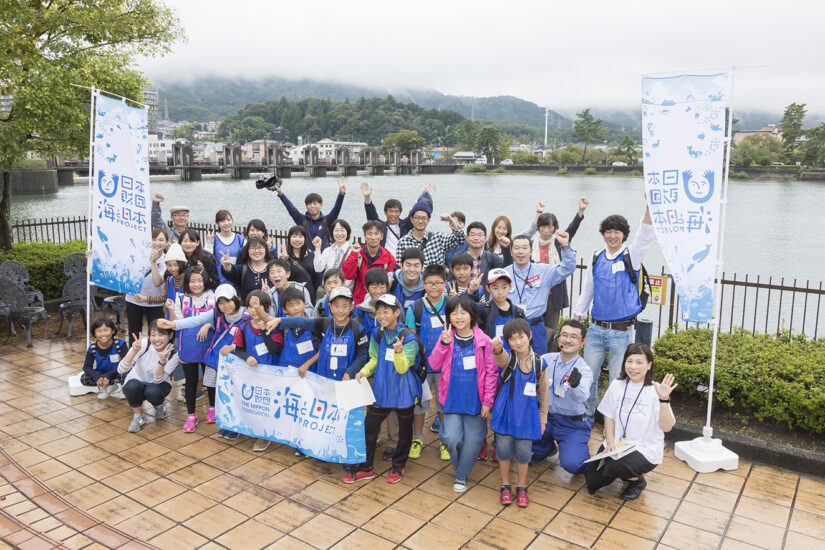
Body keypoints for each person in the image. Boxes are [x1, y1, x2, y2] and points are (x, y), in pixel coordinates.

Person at [573, 205, 654, 418]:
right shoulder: (596, 257)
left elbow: (644, 235)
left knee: (618, 378)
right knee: (588, 374)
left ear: (624, 235)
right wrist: (577, 316)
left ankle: (614, 417)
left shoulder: (632, 255)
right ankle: (587, 414)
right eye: (608, 231)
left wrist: (649, 206)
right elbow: (588, 289)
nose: (612, 235)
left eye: (617, 231)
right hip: (596, 329)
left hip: (621, 331)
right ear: (603, 234)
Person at [584, 343, 677, 501]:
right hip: (617, 445)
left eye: (639, 362)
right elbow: (609, 415)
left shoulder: (656, 391)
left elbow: (667, 427)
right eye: (629, 361)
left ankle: (636, 481)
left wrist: (664, 399)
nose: (633, 367)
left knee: (613, 466)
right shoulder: (617, 385)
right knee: (592, 481)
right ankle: (622, 471)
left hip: (644, 448)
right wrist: (611, 441)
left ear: (649, 365)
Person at [345, 294, 421, 484]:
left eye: (385, 311)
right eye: (378, 311)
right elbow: (374, 358)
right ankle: (366, 467)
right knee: (369, 428)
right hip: (380, 391)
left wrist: (399, 352)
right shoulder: (378, 334)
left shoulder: (409, 338)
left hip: (404, 392)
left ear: (397, 312)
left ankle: (398, 465)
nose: (381, 315)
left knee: (404, 431)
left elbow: (403, 367)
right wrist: (363, 372)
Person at [158, 284, 250, 440]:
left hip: (238, 360)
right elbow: (195, 320)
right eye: (221, 302)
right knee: (222, 392)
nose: (225, 306)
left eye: (228, 301)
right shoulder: (216, 314)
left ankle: (237, 426)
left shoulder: (247, 315)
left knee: (235, 392)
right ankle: (227, 424)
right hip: (218, 359)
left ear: (236, 299)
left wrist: (234, 346)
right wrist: (174, 325)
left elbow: (252, 336)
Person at [427, 294, 497, 493]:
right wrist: (443, 344)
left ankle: (460, 475)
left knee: (474, 441)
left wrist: (487, 402)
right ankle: (460, 465)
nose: (458, 317)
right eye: (454, 313)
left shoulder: (484, 341)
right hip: (451, 399)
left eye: (463, 312)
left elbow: (492, 374)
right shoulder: (446, 338)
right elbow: (433, 364)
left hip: (475, 402)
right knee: (450, 438)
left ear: (472, 315)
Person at [490, 318, 549, 507]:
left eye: (521, 337)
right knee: (504, 451)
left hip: (527, 417)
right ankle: (505, 485)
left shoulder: (540, 363)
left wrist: (543, 418)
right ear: (508, 342)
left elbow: (544, 394)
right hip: (505, 414)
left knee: (524, 453)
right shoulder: (510, 359)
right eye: (512, 339)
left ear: (529, 336)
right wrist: (498, 349)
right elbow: (500, 359)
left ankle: (522, 486)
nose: (518, 342)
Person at [220, 290, 284, 452]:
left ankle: (265, 436)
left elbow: (274, 349)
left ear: (267, 308)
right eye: (250, 307)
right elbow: (239, 349)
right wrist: (247, 356)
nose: (254, 310)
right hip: (252, 377)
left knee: (268, 405)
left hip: (271, 376)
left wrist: (264, 331)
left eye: (258, 306)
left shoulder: (274, 327)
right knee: (255, 404)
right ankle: (252, 429)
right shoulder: (243, 328)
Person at [524, 198, 589, 350]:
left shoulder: (558, 242)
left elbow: (572, 229)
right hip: (535, 295)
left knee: (552, 329)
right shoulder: (530, 243)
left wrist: (581, 210)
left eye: (550, 227)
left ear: (554, 228)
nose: (546, 231)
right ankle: (534, 354)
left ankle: (550, 355)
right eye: (543, 227)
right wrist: (538, 211)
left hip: (554, 295)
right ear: (539, 227)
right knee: (532, 327)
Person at [266, 286, 369, 382]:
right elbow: (302, 321)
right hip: (323, 378)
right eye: (336, 306)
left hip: (345, 379)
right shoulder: (324, 323)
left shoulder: (358, 329)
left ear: (351, 307)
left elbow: (363, 355)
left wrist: (349, 372)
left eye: (344, 306)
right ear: (330, 307)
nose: (340, 310)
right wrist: (279, 320)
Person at [530, 320, 593, 473]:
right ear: (558, 338)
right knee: (519, 441)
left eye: (574, 336)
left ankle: (576, 450)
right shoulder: (546, 359)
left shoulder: (584, 370)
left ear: (582, 342)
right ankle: (544, 448)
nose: (568, 340)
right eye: (564, 335)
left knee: (573, 465)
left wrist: (575, 385)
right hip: (546, 417)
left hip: (571, 423)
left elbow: (581, 397)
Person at [505, 230, 576, 355]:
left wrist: (565, 246)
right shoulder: (504, 274)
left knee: (538, 364)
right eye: (516, 248)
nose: (520, 252)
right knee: (510, 364)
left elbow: (567, 268)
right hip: (511, 327)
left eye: (524, 248)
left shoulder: (543, 271)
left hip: (535, 326)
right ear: (511, 252)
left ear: (531, 251)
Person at [405, 265, 449, 459]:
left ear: (444, 284)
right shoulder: (414, 308)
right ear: (423, 284)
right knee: (420, 405)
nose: (434, 287)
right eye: (430, 283)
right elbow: (411, 338)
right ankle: (417, 438)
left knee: (443, 405)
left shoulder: (452, 305)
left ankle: (445, 441)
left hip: (445, 366)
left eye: (438, 283)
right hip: (422, 367)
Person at [167, 267, 215, 433]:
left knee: (210, 379)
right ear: (187, 282)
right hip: (188, 345)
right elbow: (177, 322)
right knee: (191, 381)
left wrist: (208, 325)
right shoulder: (181, 298)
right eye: (192, 281)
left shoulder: (212, 296)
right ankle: (191, 415)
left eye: (199, 281)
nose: (196, 284)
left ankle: (212, 407)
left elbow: (217, 318)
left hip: (208, 344)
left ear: (205, 281)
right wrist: (171, 309)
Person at [118, 321, 179, 433]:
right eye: (153, 335)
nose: (156, 339)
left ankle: (159, 406)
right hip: (137, 381)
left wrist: (162, 361)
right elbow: (121, 370)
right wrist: (134, 351)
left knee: (152, 391)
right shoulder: (143, 345)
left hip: (158, 384)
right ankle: (138, 416)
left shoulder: (174, 352)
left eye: (161, 334)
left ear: (170, 335)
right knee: (131, 387)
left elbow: (158, 380)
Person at [361, 181, 436, 258]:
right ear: (385, 212)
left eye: (396, 211)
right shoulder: (381, 226)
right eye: (391, 211)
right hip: (386, 262)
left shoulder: (406, 225)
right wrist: (367, 198)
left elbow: (419, 210)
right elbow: (372, 216)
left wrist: (427, 195)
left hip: (403, 262)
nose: (393, 214)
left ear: (400, 212)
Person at [273, 178, 346, 250]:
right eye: (309, 204)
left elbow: (336, 209)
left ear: (321, 205)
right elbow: (291, 208)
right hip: (307, 257)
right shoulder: (302, 220)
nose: (312, 206)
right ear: (306, 206)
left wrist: (341, 194)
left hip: (324, 257)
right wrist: (281, 194)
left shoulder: (326, 220)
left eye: (315, 203)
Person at [125, 228, 168, 346]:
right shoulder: (138, 254)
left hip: (155, 302)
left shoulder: (167, 261)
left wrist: (153, 262)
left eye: (161, 240)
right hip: (133, 299)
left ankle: (155, 360)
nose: (157, 243)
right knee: (134, 334)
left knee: (156, 334)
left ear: (167, 242)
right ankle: (133, 362)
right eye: (153, 239)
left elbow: (157, 282)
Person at [395, 200, 465, 268]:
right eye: (417, 218)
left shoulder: (438, 238)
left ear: (429, 220)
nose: (420, 221)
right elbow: (400, 267)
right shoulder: (403, 242)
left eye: (424, 218)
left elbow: (460, 238)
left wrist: (450, 219)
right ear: (411, 219)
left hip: (436, 279)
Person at [341, 220, 396, 305]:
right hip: (359, 302)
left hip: (380, 302)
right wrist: (354, 254)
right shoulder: (358, 254)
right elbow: (348, 275)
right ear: (365, 236)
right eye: (370, 234)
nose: (373, 237)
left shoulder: (389, 258)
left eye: (376, 234)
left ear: (381, 236)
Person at [445, 221, 511, 286]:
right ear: (467, 238)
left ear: (485, 238)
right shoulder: (458, 258)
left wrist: (506, 248)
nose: (476, 238)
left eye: (480, 235)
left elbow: (507, 269)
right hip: (462, 295)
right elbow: (451, 281)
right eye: (472, 235)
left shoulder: (492, 258)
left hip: (485, 296)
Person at [478, 269, 526, 352]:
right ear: (488, 288)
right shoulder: (484, 309)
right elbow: (465, 306)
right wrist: (471, 291)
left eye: (504, 287)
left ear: (510, 287)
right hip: (491, 359)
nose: (500, 292)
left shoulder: (519, 312)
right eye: (495, 288)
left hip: (513, 359)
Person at [81, 318, 129, 400]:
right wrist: (97, 377)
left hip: (119, 371)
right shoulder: (92, 347)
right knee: (84, 378)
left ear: (113, 331)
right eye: (99, 331)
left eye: (106, 330)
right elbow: (86, 367)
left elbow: (126, 363)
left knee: (126, 372)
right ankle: (110, 386)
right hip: (103, 372)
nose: (103, 334)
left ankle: (124, 388)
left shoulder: (120, 344)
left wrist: (108, 376)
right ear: (94, 334)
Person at [219, 236, 273, 301]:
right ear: (248, 251)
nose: (256, 251)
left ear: (266, 250)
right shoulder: (243, 269)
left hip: (270, 310)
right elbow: (231, 272)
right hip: (247, 310)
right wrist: (227, 265)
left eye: (259, 248)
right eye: (253, 248)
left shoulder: (273, 268)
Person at [206, 210, 245, 285]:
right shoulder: (213, 239)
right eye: (222, 221)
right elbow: (207, 261)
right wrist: (209, 245)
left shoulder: (241, 239)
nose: (226, 223)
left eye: (228, 220)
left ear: (232, 221)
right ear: (217, 223)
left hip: (237, 281)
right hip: (219, 281)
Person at [312, 219, 354, 288]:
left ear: (348, 232)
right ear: (332, 232)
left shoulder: (352, 252)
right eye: (336, 230)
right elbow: (318, 268)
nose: (339, 233)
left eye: (342, 230)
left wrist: (339, 290)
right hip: (328, 291)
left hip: (344, 292)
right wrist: (317, 248)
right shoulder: (327, 251)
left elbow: (351, 278)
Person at [282, 225, 319, 301]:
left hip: (309, 294)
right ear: (289, 238)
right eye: (294, 236)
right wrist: (283, 262)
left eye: (300, 237)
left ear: (305, 239)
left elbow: (316, 277)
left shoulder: (311, 255)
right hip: (291, 295)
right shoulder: (285, 257)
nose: (297, 240)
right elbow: (282, 278)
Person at [354, 268, 389, 346]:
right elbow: (359, 333)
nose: (378, 291)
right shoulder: (362, 310)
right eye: (374, 287)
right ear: (366, 288)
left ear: (387, 287)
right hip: (368, 350)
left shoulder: (394, 306)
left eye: (382, 287)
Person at [160, 243, 187, 321]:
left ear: (184, 264)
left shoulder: (190, 279)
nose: (173, 268)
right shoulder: (169, 279)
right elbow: (164, 297)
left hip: (186, 321)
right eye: (169, 265)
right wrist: (145, 299)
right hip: (171, 320)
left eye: (176, 265)